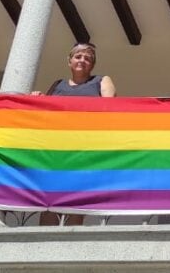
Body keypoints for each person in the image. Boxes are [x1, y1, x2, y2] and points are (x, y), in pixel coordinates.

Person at [32, 43, 114, 226]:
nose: (82, 60)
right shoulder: (58, 84)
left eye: (87, 58)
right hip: (56, 148)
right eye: (78, 56)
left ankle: (71, 236)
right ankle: (43, 241)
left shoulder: (101, 81)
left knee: (77, 194)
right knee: (49, 195)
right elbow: (46, 112)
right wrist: (38, 98)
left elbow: (110, 108)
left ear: (92, 64)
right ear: (69, 61)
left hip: (84, 147)